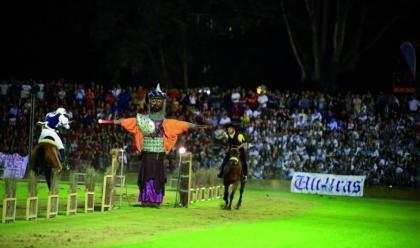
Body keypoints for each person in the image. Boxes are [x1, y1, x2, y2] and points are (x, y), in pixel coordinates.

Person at [114, 84, 206, 208]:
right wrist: (116, 121)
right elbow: (130, 122)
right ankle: (146, 200)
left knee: (157, 177)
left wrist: (195, 125)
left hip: (158, 153)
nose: (156, 103)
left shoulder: (166, 123)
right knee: (146, 176)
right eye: (154, 100)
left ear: (162, 103)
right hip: (147, 153)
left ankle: (156, 200)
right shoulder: (143, 120)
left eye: (158, 101)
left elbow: (181, 125)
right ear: (150, 102)